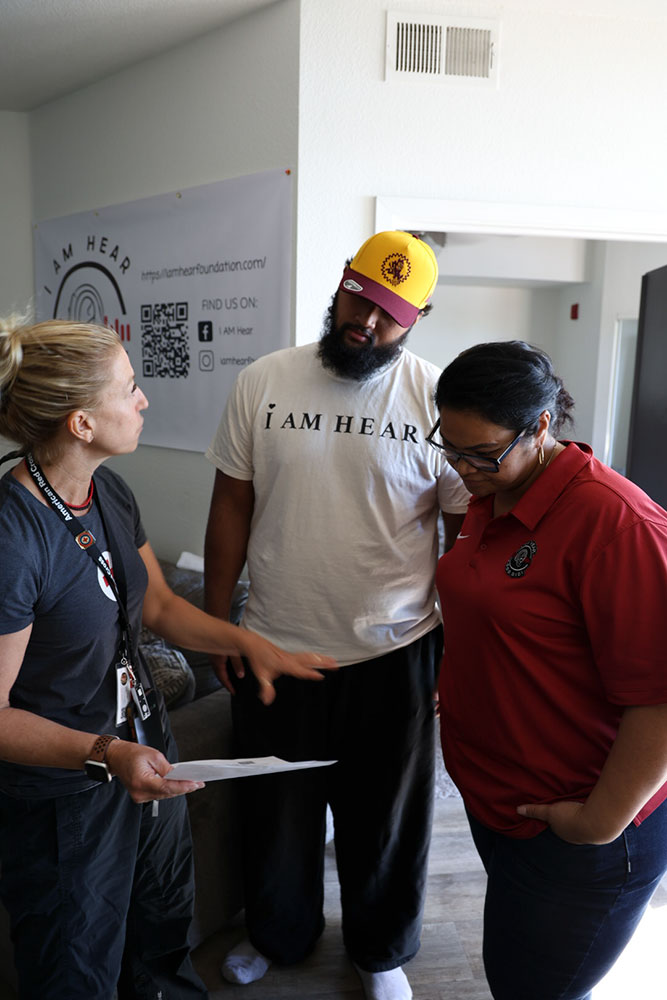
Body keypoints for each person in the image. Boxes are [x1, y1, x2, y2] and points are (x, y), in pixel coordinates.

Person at [0, 316, 336, 1000]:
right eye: (129, 388)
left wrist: (246, 642)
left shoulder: (109, 492)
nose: (143, 399)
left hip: (150, 755)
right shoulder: (13, 537)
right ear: (81, 423)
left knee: (162, 942)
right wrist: (107, 753)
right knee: (76, 973)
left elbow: (156, 603)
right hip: (68, 796)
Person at [204, 230, 470, 1000]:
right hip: (275, 644)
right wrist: (219, 621)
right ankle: (275, 935)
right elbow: (231, 505)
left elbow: (462, 535)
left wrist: (458, 653)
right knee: (275, 811)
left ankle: (379, 951)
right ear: (343, 282)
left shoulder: (437, 400)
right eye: (359, 298)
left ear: (416, 317)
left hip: (396, 648)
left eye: (389, 314)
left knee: (385, 818)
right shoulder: (264, 380)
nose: (366, 322)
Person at [431, 339, 667, 1000]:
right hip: (501, 803)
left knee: (530, 987)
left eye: (481, 453)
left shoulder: (617, 525)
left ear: (540, 426)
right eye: (449, 447)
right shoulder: (493, 491)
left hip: (581, 829)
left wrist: (596, 823)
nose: (462, 468)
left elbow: (659, 699)